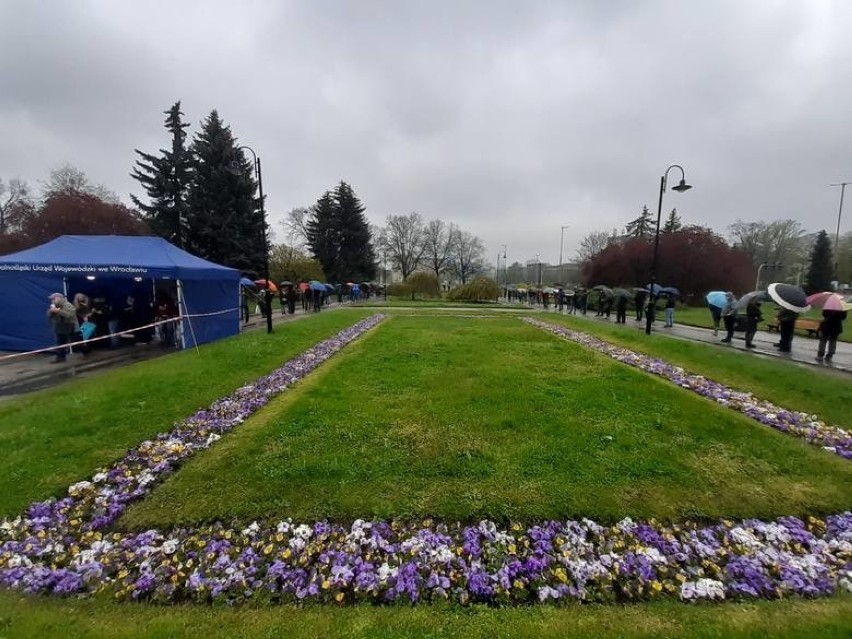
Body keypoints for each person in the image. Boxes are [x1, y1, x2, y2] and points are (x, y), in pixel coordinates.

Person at [46, 293, 80, 363]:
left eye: (53, 299)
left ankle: (87, 352)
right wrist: (51, 311)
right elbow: (48, 315)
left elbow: (69, 315)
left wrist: (58, 311)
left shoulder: (68, 305)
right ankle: (60, 358)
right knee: (60, 343)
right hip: (60, 328)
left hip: (71, 327)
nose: (52, 301)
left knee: (77, 343)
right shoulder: (54, 306)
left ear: (59, 298)